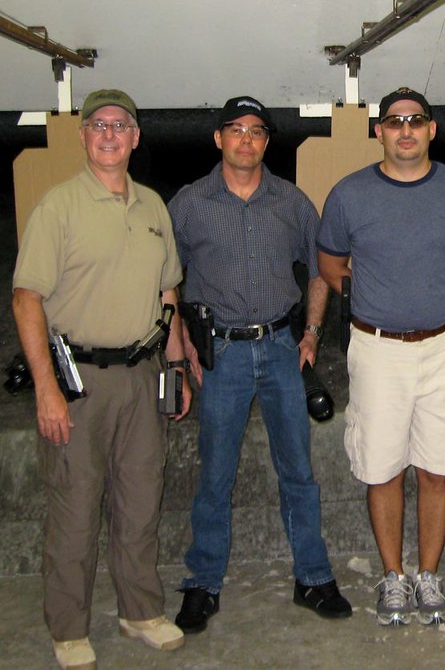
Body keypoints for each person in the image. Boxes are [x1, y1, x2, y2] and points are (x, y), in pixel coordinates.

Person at [13, 89, 190, 670]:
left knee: (140, 502)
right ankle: (68, 628)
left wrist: (178, 367)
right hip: (78, 382)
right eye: (99, 125)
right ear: (83, 135)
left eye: (120, 125)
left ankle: (140, 612)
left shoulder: (152, 207)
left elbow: (168, 293)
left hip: (142, 377)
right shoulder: (59, 207)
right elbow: (26, 299)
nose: (110, 134)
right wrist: (46, 389)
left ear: (136, 137)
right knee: (75, 509)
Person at [169, 96, 351, 634]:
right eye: (236, 130)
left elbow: (321, 267)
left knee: (297, 471)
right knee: (215, 474)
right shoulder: (189, 203)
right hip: (221, 354)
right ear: (218, 139)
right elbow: (165, 276)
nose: (246, 140)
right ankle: (203, 582)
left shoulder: (291, 202)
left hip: (280, 350)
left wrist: (312, 332)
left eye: (256, 131)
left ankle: (312, 576)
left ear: (267, 142)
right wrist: (182, 341)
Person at [317, 87, 445, 626]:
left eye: (416, 121)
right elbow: (330, 264)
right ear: (379, 132)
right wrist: (375, 298)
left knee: (438, 467)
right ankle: (394, 577)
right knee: (383, 468)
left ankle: (428, 574)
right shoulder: (350, 194)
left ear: (431, 130)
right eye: (394, 122)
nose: (405, 130)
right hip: (377, 350)